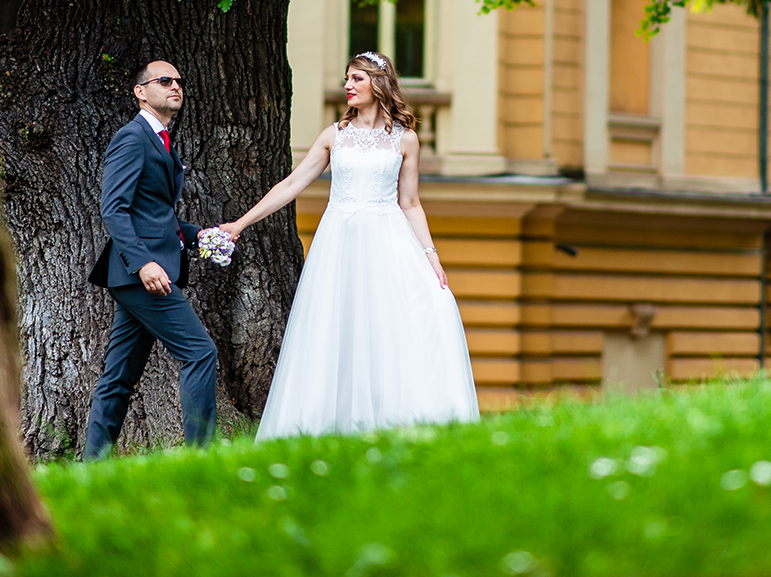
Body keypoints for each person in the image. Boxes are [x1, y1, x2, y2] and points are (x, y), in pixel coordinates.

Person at [219, 50, 479, 439]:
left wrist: (431, 257)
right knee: (335, 324)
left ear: (378, 83)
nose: (347, 86)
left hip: (388, 240)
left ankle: (396, 422)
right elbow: (290, 185)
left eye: (356, 78)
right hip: (339, 241)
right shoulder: (334, 135)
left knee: (397, 321)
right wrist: (239, 224)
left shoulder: (405, 140)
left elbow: (409, 202)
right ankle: (326, 426)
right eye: (346, 79)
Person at [83, 60, 219, 458]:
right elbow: (114, 209)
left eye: (178, 81)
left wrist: (201, 237)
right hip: (143, 274)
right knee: (200, 352)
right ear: (141, 91)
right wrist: (143, 262)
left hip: (140, 274)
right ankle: (203, 456)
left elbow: (157, 215)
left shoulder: (159, 138)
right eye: (164, 81)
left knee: (118, 378)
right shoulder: (133, 137)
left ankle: (93, 465)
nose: (175, 86)